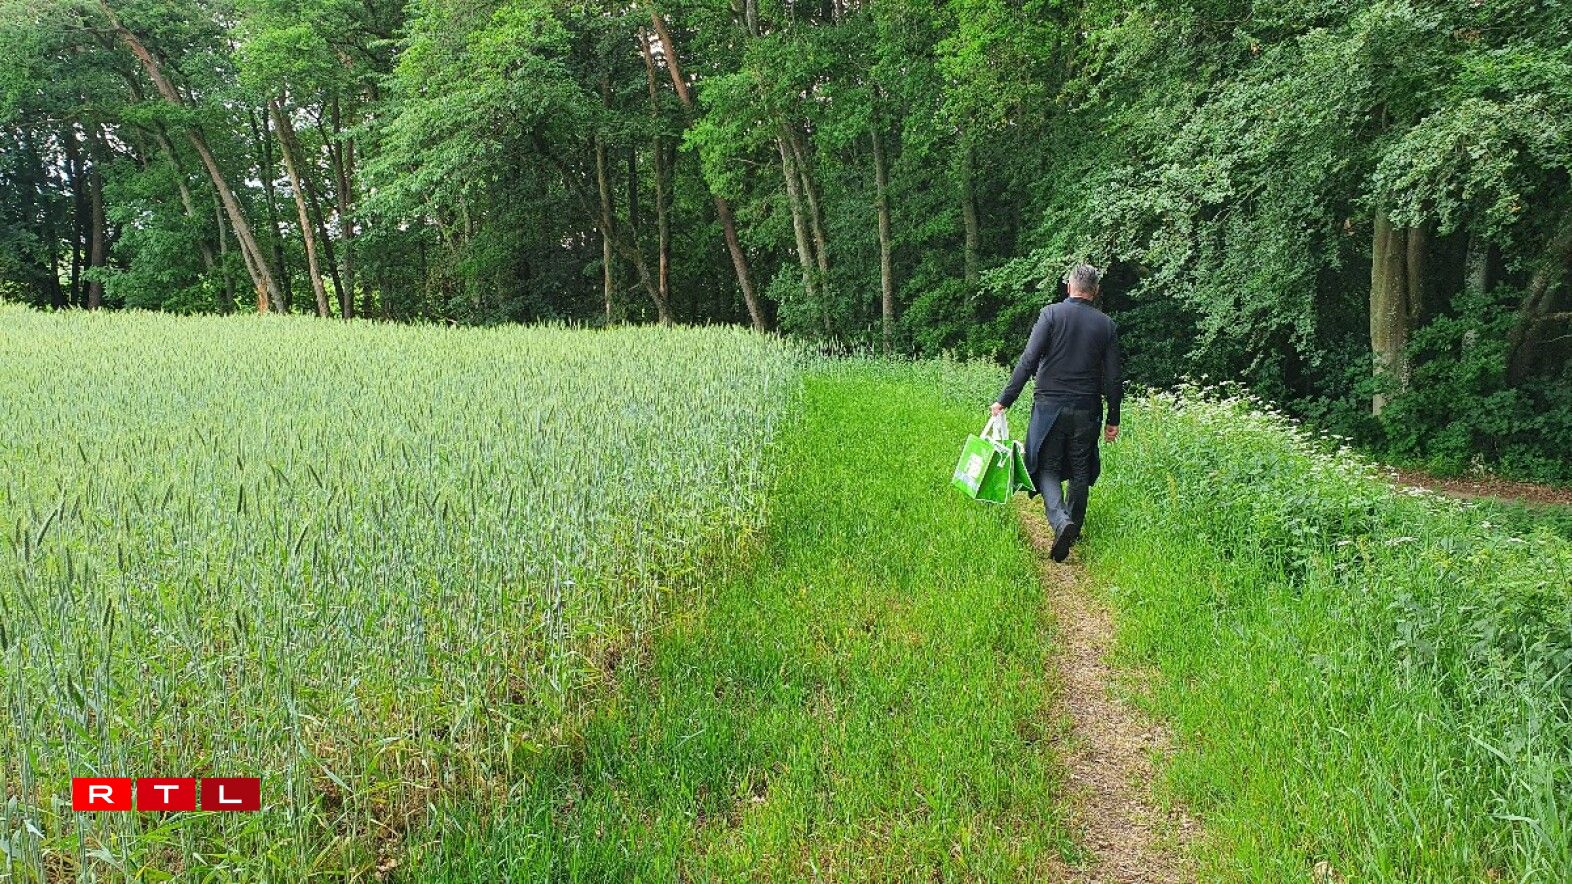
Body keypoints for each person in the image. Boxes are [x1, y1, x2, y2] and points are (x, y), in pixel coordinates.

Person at [991, 264, 1122, 563]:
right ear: (1096, 291)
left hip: (1049, 405)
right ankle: (1072, 528)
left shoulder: (1051, 314)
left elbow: (1029, 360)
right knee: (1080, 468)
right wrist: (1113, 418)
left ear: (1069, 287)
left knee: (1046, 467)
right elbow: (1113, 377)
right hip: (1087, 408)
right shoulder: (1106, 325)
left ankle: (1061, 522)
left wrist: (1005, 399)